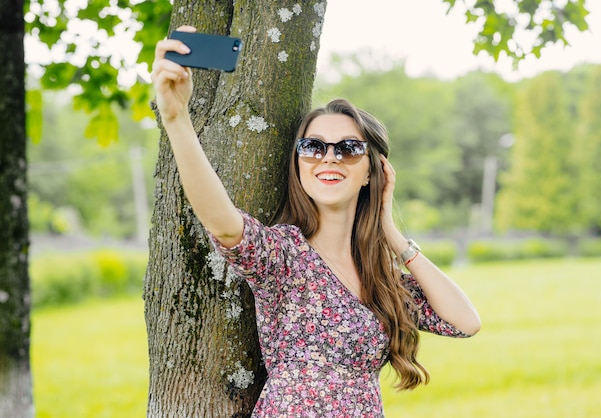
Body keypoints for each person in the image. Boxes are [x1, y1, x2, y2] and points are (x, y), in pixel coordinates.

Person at [151, 26, 481, 418]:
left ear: (372, 172)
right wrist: (177, 119)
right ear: (299, 163)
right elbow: (223, 223)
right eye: (313, 147)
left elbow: (465, 322)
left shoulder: (381, 277)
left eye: (348, 148)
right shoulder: (285, 254)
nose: (329, 158)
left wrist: (390, 233)